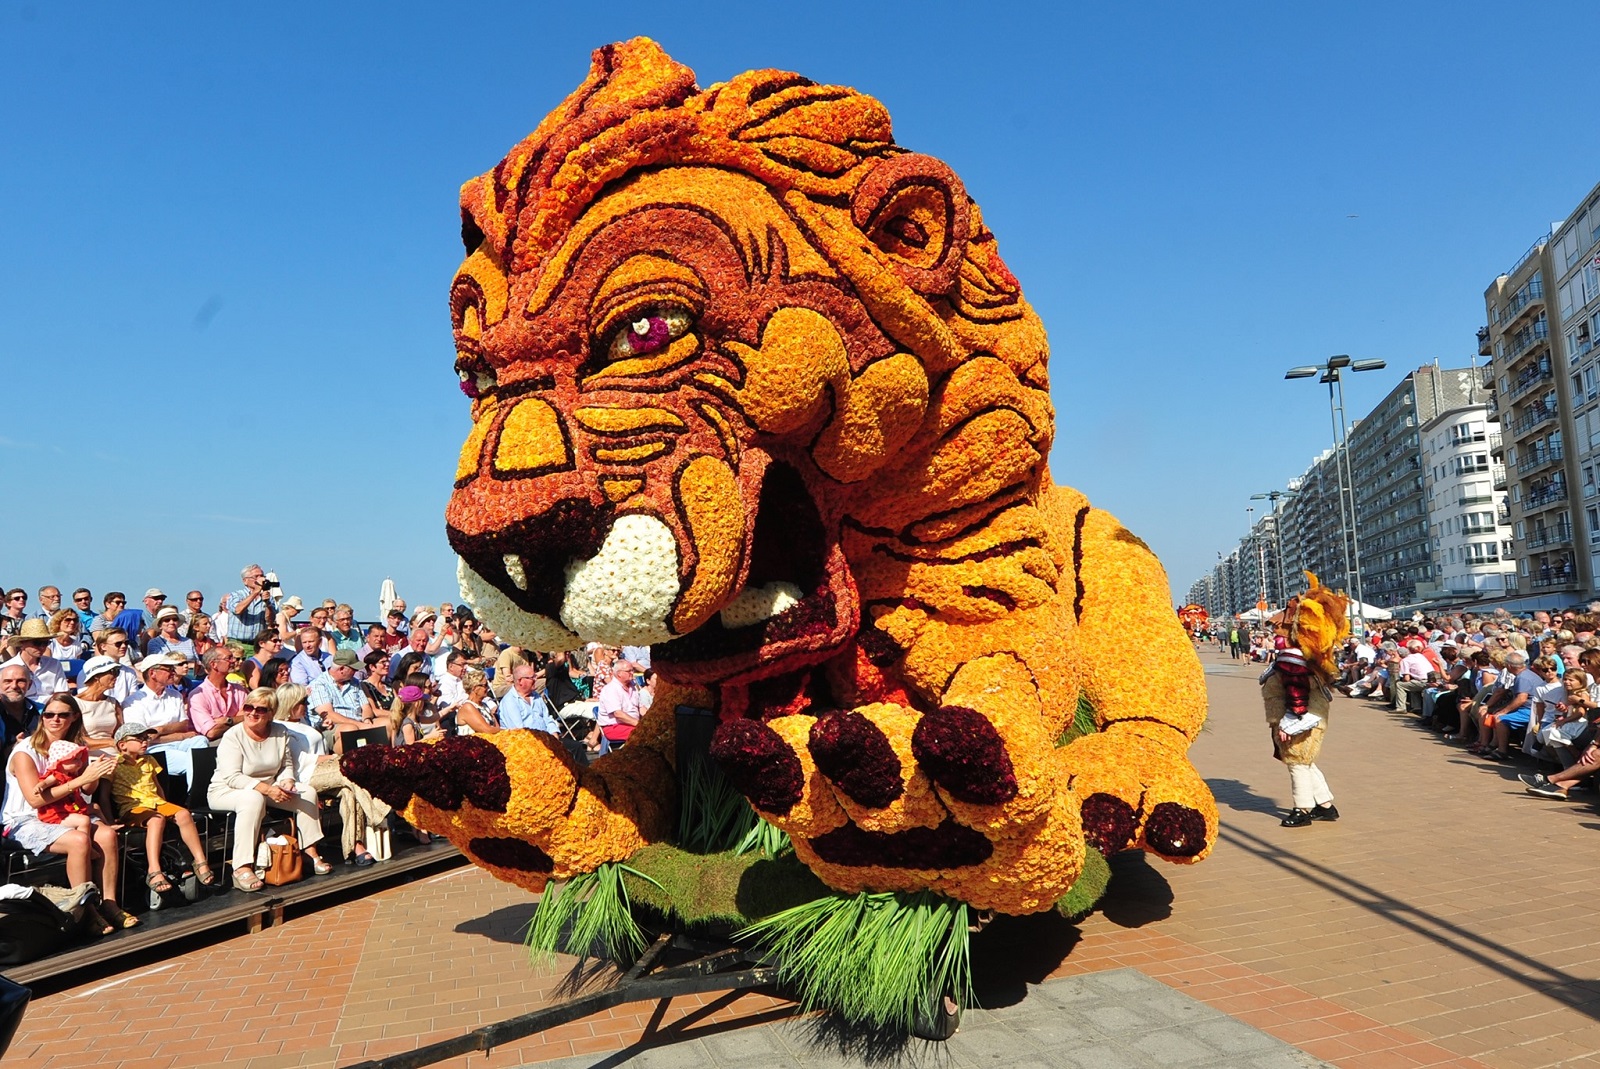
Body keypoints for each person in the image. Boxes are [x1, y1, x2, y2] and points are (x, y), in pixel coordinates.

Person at [3, 693, 134, 930]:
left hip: (63, 812)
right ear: (42, 718)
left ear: (74, 717)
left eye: (63, 715)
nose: (55, 720)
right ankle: (86, 910)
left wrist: (96, 774)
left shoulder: (74, 749)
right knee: (79, 840)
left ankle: (110, 903)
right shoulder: (26, 751)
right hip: (25, 819)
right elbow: (35, 799)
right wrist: (80, 779)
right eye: (49, 714)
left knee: (106, 835)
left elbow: (84, 793)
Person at [206, 689, 329, 892]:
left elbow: (286, 764)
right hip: (227, 790)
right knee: (253, 799)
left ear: (271, 713)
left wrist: (287, 780)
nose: (253, 713)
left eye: (260, 709)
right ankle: (241, 867)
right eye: (248, 707)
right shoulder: (232, 736)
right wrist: (267, 789)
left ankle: (309, 852)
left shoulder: (280, 732)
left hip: (269, 787)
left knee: (307, 792)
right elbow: (232, 776)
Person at [1260, 578, 1347, 828]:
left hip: (1302, 716)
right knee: (1306, 761)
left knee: (1297, 763)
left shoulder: (1293, 657)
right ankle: (1326, 806)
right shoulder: (1306, 655)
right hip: (1312, 714)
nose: (1275, 628)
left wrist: (1291, 720)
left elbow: (1297, 691)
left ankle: (1302, 809)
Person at [273, 683, 386, 867]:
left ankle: (355, 847)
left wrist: (320, 728)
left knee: (350, 792)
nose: (307, 705)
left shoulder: (302, 722)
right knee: (352, 770)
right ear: (291, 704)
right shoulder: (281, 728)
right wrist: (334, 757)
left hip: (323, 769)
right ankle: (380, 813)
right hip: (305, 775)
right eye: (304, 701)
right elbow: (301, 760)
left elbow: (312, 743)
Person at [109, 722, 217, 890]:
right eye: (139, 739)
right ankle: (154, 869)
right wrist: (108, 820)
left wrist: (168, 807)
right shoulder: (113, 765)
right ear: (122, 745)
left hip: (156, 803)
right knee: (156, 819)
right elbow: (103, 794)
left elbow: (157, 787)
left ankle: (200, 860)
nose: (145, 742)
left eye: (146, 738)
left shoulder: (149, 760)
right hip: (133, 808)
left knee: (183, 814)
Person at [123, 653, 197, 744]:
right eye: (169, 669)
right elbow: (142, 738)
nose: (173, 672)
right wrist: (182, 736)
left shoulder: (176, 695)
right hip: (154, 748)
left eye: (173, 669)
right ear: (152, 673)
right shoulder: (133, 702)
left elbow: (184, 725)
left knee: (201, 741)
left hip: (180, 743)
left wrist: (159, 730)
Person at [190, 647, 247, 742]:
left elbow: (249, 717)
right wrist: (238, 720)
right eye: (229, 658)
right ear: (214, 664)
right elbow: (211, 732)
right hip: (210, 745)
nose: (233, 661)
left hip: (238, 739)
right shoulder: (197, 695)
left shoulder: (239, 690)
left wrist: (228, 720)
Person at [1, 619, 67, 699]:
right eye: (37, 643)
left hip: (52, 708)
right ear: (22, 643)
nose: (42, 647)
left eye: (46, 643)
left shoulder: (54, 664)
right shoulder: (6, 669)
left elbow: (62, 694)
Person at [75, 656, 125, 751]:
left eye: (117, 672)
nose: (116, 676)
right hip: (87, 757)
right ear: (97, 676)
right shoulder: (75, 703)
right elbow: (77, 740)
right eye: (112, 672)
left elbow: (119, 734)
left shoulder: (113, 703)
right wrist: (110, 742)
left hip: (115, 755)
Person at [589, 661, 642, 752]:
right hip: (614, 726)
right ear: (619, 674)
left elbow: (641, 708)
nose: (632, 673)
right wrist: (640, 725)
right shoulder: (610, 689)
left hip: (632, 724)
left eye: (632, 670)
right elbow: (618, 714)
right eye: (629, 671)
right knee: (646, 734)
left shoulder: (634, 687)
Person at [496, 664, 560, 734]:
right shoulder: (509, 702)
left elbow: (547, 719)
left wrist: (554, 733)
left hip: (546, 738)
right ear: (520, 681)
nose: (536, 679)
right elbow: (519, 732)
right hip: (527, 741)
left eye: (535, 676)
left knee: (572, 744)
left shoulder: (536, 696)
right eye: (532, 677)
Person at [221, 564, 273, 647]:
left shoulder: (268, 596)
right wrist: (255, 592)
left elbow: (270, 621)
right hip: (237, 644)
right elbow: (237, 610)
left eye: (262, 576)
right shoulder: (236, 595)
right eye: (256, 576)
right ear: (245, 581)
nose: (260, 579)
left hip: (258, 644)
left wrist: (267, 604)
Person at [0, 663, 40, 748]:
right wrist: (16, 748)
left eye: (20, 681)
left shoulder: (44, 711)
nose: (14, 686)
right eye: (8, 681)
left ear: (29, 685)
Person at [454, 668, 499, 734]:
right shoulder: (467, 707)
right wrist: (508, 731)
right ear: (475, 688)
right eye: (485, 685)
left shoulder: (484, 705)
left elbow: (496, 727)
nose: (488, 688)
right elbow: (487, 730)